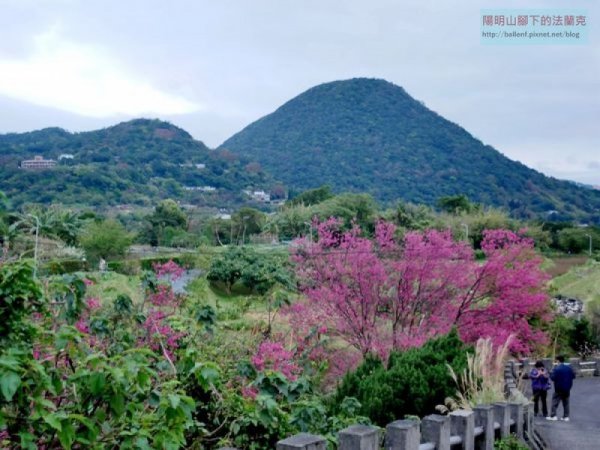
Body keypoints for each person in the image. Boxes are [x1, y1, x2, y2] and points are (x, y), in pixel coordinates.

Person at [547, 355, 576, 422]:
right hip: (567, 388)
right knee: (566, 402)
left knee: (555, 401)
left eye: (556, 361)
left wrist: (551, 373)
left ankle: (553, 416)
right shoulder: (569, 368)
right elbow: (573, 376)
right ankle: (566, 417)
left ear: (558, 361)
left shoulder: (557, 369)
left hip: (559, 388)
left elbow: (553, 378)